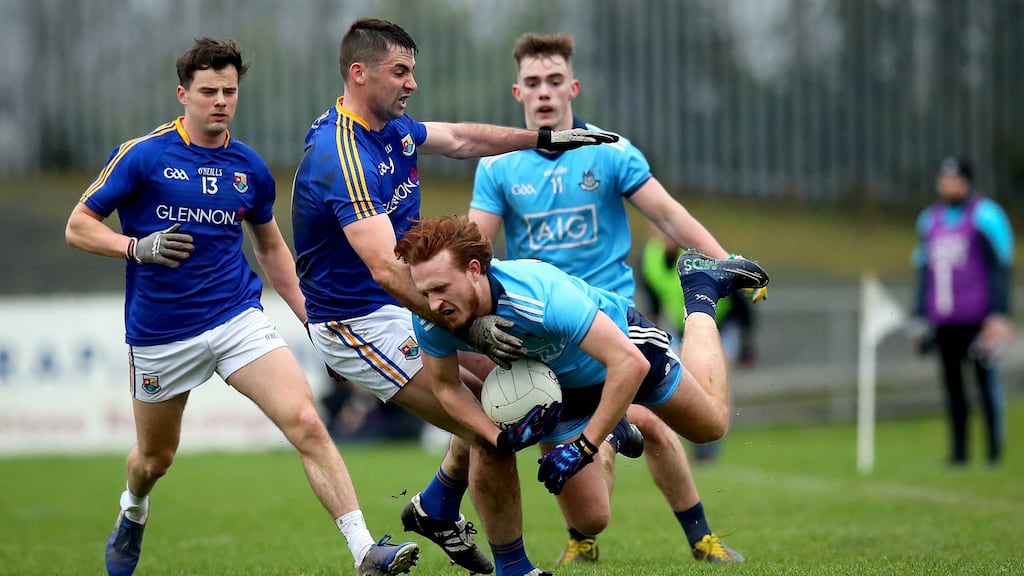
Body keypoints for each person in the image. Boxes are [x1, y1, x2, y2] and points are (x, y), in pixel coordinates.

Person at [64, 37, 419, 576]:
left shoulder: (249, 167)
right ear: (183, 94)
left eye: (229, 91)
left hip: (236, 319)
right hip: (162, 334)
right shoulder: (144, 155)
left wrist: (311, 319)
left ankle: (364, 551)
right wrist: (137, 247)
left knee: (306, 421)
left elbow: (271, 247)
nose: (220, 100)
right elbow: (78, 227)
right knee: (154, 460)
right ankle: (132, 509)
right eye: (208, 91)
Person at [290, 18, 617, 576]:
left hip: (404, 305)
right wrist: (467, 325)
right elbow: (388, 273)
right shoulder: (342, 155)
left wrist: (542, 140)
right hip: (360, 323)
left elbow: (464, 139)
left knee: (507, 378)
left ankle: (439, 506)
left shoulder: (388, 128)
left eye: (412, 70)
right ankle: (514, 567)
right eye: (401, 71)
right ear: (358, 73)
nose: (412, 83)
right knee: (490, 433)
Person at [468, 32, 758, 565]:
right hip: (549, 340)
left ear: (572, 87)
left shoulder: (608, 149)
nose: (545, 93)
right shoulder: (498, 165)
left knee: (655, 423)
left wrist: (722, 260)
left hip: (614, 321)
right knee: (592, 510)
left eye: (555, 81)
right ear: (517, 94)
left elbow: (667, 214)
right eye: (533, 83)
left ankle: (701, 537)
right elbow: (474, 251)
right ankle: (583, 535)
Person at [394, 215, 768, 567]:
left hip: (624, 350)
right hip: (563, 389)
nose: (434, 303)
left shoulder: (540, 295)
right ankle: (614, 429)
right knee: (591, 520)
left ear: (474, 271)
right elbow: (446, 387)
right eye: (425, 292)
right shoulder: (433, 316)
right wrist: (499, 439)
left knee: (711, 428)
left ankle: (700, 290)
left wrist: (584, 446)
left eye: (441, 288)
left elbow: (630, 364)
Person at [909, 155, 1014, 466]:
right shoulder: (929, 220)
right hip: (944, 319)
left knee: (985, 383)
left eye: (955, 179)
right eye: (944, 179)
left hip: (980, 320)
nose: (949, 185)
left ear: (966, 182)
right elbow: (923, 271)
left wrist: (999, 312)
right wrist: (918, 317)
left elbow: (1001, 267)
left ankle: (994, 452)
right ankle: (959, 453)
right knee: (953, 388)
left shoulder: (987, 215)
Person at [641, 224, 757, 462]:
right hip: (681, 328)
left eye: (669, 230)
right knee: (684, 383)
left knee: (715, 383)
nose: (665, 236)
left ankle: (710, 445)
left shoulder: (695, 256)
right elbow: (653, 295)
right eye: (660, 231)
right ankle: (689, 440)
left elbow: (739, 300)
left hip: (720, 326)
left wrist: (747, 343)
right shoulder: (650, 258)